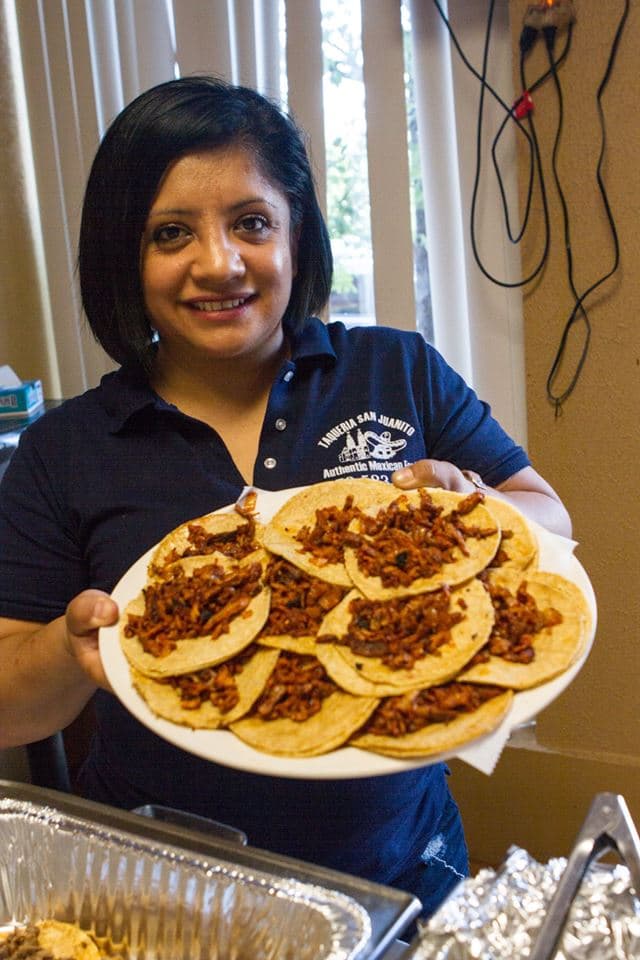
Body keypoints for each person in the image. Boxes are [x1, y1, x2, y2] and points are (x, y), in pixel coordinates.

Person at [0, 76, 571, 919]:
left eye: (252, 223)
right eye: (170, 234)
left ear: (298, 232)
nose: (219, 263)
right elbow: (10, 707)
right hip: (164, 880)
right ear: (124, 254)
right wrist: (70, 648)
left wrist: (475, 505)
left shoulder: (395, 368)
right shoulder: (65, 449)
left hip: (393, 861)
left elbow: (549, 519)